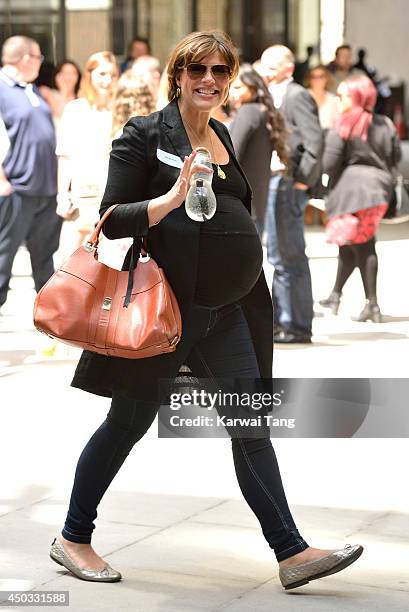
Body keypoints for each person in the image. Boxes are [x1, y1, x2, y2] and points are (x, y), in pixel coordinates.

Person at [49, 30, 363, 590]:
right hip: (168, 312)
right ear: (179, 74)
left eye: (221, 72)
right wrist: (168, 198)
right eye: (198, 70)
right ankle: (73, 537)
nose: (210, 81)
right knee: (127, 423)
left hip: (228, 309)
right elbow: (112, 216)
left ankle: (291, 552)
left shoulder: (220, 133)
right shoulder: (146, 133)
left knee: (249, 427)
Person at [320, 75, 401, 322]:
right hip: (378, 192)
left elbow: (329, 164)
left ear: (356, 97)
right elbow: (396, 156)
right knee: (352, 244)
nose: (338, 99)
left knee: (363, 246)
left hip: (351, 194)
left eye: (343, 95)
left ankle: (372, 305)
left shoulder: (343, 125)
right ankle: (337, 295)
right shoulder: (385, 123)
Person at [260, 45, 323, 344]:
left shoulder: (297, 95)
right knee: (278, 254)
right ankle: (280, 320)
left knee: (288, 255)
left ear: (288, 67)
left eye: (271, 65)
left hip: (287, 182)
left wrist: (302, 181)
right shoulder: (272, 95)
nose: (265, 70)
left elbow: (314, 141)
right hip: (274, 182)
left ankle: (295, 324)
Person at [0, 35, 62, 315]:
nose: (41, 62)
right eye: (38, 56)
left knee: (44, 258)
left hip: (46, 191)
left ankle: (50, 318)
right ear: (25, 58)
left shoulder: (33, 90)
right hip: (16, 190)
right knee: (3, 257)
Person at [56, 51, 118, 246]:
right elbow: (65, 156)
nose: (107, 80)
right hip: (83, 196)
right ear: (89, 74)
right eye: (102, 74)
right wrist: (62, 195)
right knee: (74, 262)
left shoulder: (121, 111)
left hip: (114, 197)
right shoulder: (75, 109)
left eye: (113, 75)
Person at [229, 63, 288, 234]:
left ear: (254, 88)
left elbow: (232, 155)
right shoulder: (262, 111)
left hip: (242, 204)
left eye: (239, 87)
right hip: (255, 202)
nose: (233, 93)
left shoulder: (248, 112)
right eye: (231, 87)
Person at [38, 60, 81, 126]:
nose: (69, 77)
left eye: (73, 73)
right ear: (57, 75)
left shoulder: (81, 97)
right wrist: (64, 90)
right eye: (65, 73)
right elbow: (60, 116)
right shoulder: (48, 93)